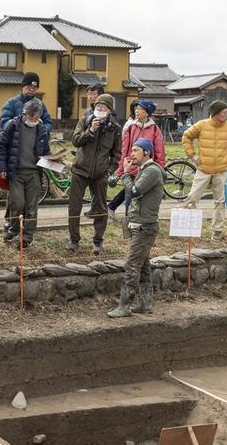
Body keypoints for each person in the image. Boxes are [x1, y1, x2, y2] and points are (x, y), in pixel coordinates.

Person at [107, 139, 164, 318]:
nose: (132, 154)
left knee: (132, 265)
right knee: (144, 265)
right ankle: (146, 304)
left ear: (146, 152)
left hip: (144, 226)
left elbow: (134, 193)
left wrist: (125, 174)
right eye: (132, 150)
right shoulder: (144, 170)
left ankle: (125, 305)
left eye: (136, 150)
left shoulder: (152, 171)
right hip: (140, 223)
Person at [182, 100, 227, 241]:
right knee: (192, 198)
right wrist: (192, 155)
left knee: (220, 201)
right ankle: (187, 230)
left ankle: (217, 231)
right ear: (215, 113)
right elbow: (186, 136)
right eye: (224, 112)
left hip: (221, 169)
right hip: (203, 169)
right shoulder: (201, 125)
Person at [67, 94, 122, 253]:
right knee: (74, 207)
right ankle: (74, 239)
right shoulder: (85, 121)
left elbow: (117, 153)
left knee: (101, 208)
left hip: (100, 173)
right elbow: (76, 141)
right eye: (97, 106)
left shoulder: (115, 128)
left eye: (103, 107)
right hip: (80, 170)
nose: (99, 109)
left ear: (109, 110)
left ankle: (98, 241)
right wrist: (90, 131)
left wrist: (109, 169)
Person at [0, 99, 51, 247]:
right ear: (25, 114)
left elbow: (45, 151)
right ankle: (13, 230)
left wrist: (53, 160)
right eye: (32, 117)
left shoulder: (41, 129)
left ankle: (27, 237)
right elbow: (0, 146)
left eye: (38, 117)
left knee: (32, 207)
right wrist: (2, 168)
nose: (35, 120)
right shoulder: (12, 125)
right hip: (16, 172)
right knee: (17, 204)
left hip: (34, 173)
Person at [108, 99, 165, 219]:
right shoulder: (131, 127)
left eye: (140, 109)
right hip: (132, 168)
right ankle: (129, 224)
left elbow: (160, 152)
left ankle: (141, 222)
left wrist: (160, 170)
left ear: (147, 112)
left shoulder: (155, 129)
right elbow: (125, 150)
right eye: (136, 108)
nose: (137, 111)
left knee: (144, 198)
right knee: (130, 197)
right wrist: (120, 170)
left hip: (147, 170)